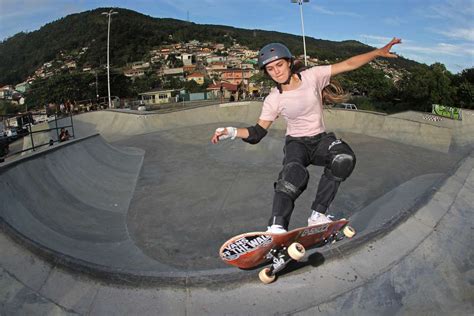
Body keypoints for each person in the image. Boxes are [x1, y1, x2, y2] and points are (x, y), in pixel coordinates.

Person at [211, 38, 402, 233]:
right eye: (270, 69)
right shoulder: (273, 99)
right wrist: (232, 132)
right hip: (297, 144)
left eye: (279, 65)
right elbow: (257, 133)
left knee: (343, 158)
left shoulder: (313, 76)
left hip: (320, 140)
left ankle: (318, 214)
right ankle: (276, 226)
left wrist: (376, 53)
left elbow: (348, 64)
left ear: (289, 63)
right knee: (292, 176)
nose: (276, 71)